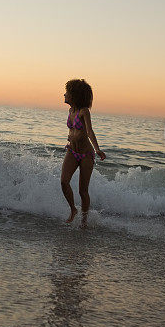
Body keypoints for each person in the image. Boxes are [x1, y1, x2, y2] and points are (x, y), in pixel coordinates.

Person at [60, 79, 106, 227]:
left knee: (82, 191)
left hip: (86, 154)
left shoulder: (84, 111)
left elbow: (89, 131)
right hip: (72, 151)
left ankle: (84, 220)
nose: (64, 94)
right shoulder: (70, 111)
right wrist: (71, 136)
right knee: (64, 181)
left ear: (75, 95)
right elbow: (73, 130)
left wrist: (97, 148)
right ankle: (73, 209)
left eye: (67, 92)